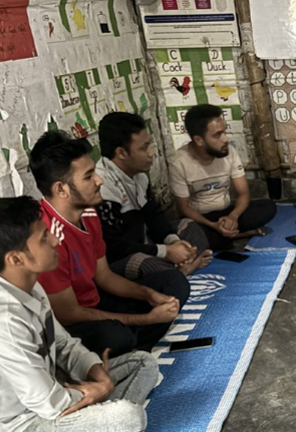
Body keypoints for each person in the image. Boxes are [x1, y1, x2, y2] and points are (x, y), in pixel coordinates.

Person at [0, 196, 160, 432]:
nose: (54, 239)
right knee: (130, 419)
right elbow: (48, 403)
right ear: (16, 258)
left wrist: (95, 370)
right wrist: (98, 391)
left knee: (143, 364)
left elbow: (62, 343)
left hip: (51, 395)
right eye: (43, 237)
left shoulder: (27, 283)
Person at [29, 130, 189, 358]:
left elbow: (103, 276)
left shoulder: (89, 213)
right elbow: (68, 314)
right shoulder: (46, 237)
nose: (99, 180)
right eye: (88, 176)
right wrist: (147, 319)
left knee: (174, 284)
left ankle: (136, 349)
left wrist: (147, 294)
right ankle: (130, 348)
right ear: (61, 189)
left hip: (96, 302)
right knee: (116, 335)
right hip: (68, 324)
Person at [96, 112, 212, 279]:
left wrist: (173, 242)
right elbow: (114, 247)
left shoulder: (139, 175)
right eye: (144, 148)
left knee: (189, 226)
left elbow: (154, 216)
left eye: (149, 145)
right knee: (147, 265)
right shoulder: (103, 186)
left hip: (146, 244)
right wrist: (166, 251)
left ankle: (182, 266)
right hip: (121, 257)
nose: (151, 153)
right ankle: (181, 270)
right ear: (121, 153)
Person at [169, 104, 276, 250]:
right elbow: (184, 208)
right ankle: (233, 235)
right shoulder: (179, 162)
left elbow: (244, 194)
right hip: (201, 219)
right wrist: (213, 225)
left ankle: (225, 234)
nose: (225, 139)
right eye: (217, 135)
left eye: (224, 132)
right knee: (189, 233)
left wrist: (233, 217)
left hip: (227, 213)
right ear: (199, 140)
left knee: (268, 207)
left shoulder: (229, 152)